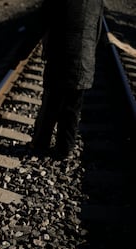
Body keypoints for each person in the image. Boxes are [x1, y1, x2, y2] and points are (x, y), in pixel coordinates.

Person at [30, 0, 104, 159]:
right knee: (72, 108)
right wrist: (88, 54)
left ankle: (40, 145)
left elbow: (40, 23)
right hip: (84, 62)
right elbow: (97, 31)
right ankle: (64, 149)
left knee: (51, 104)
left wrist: (21, 54)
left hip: (60, 58)